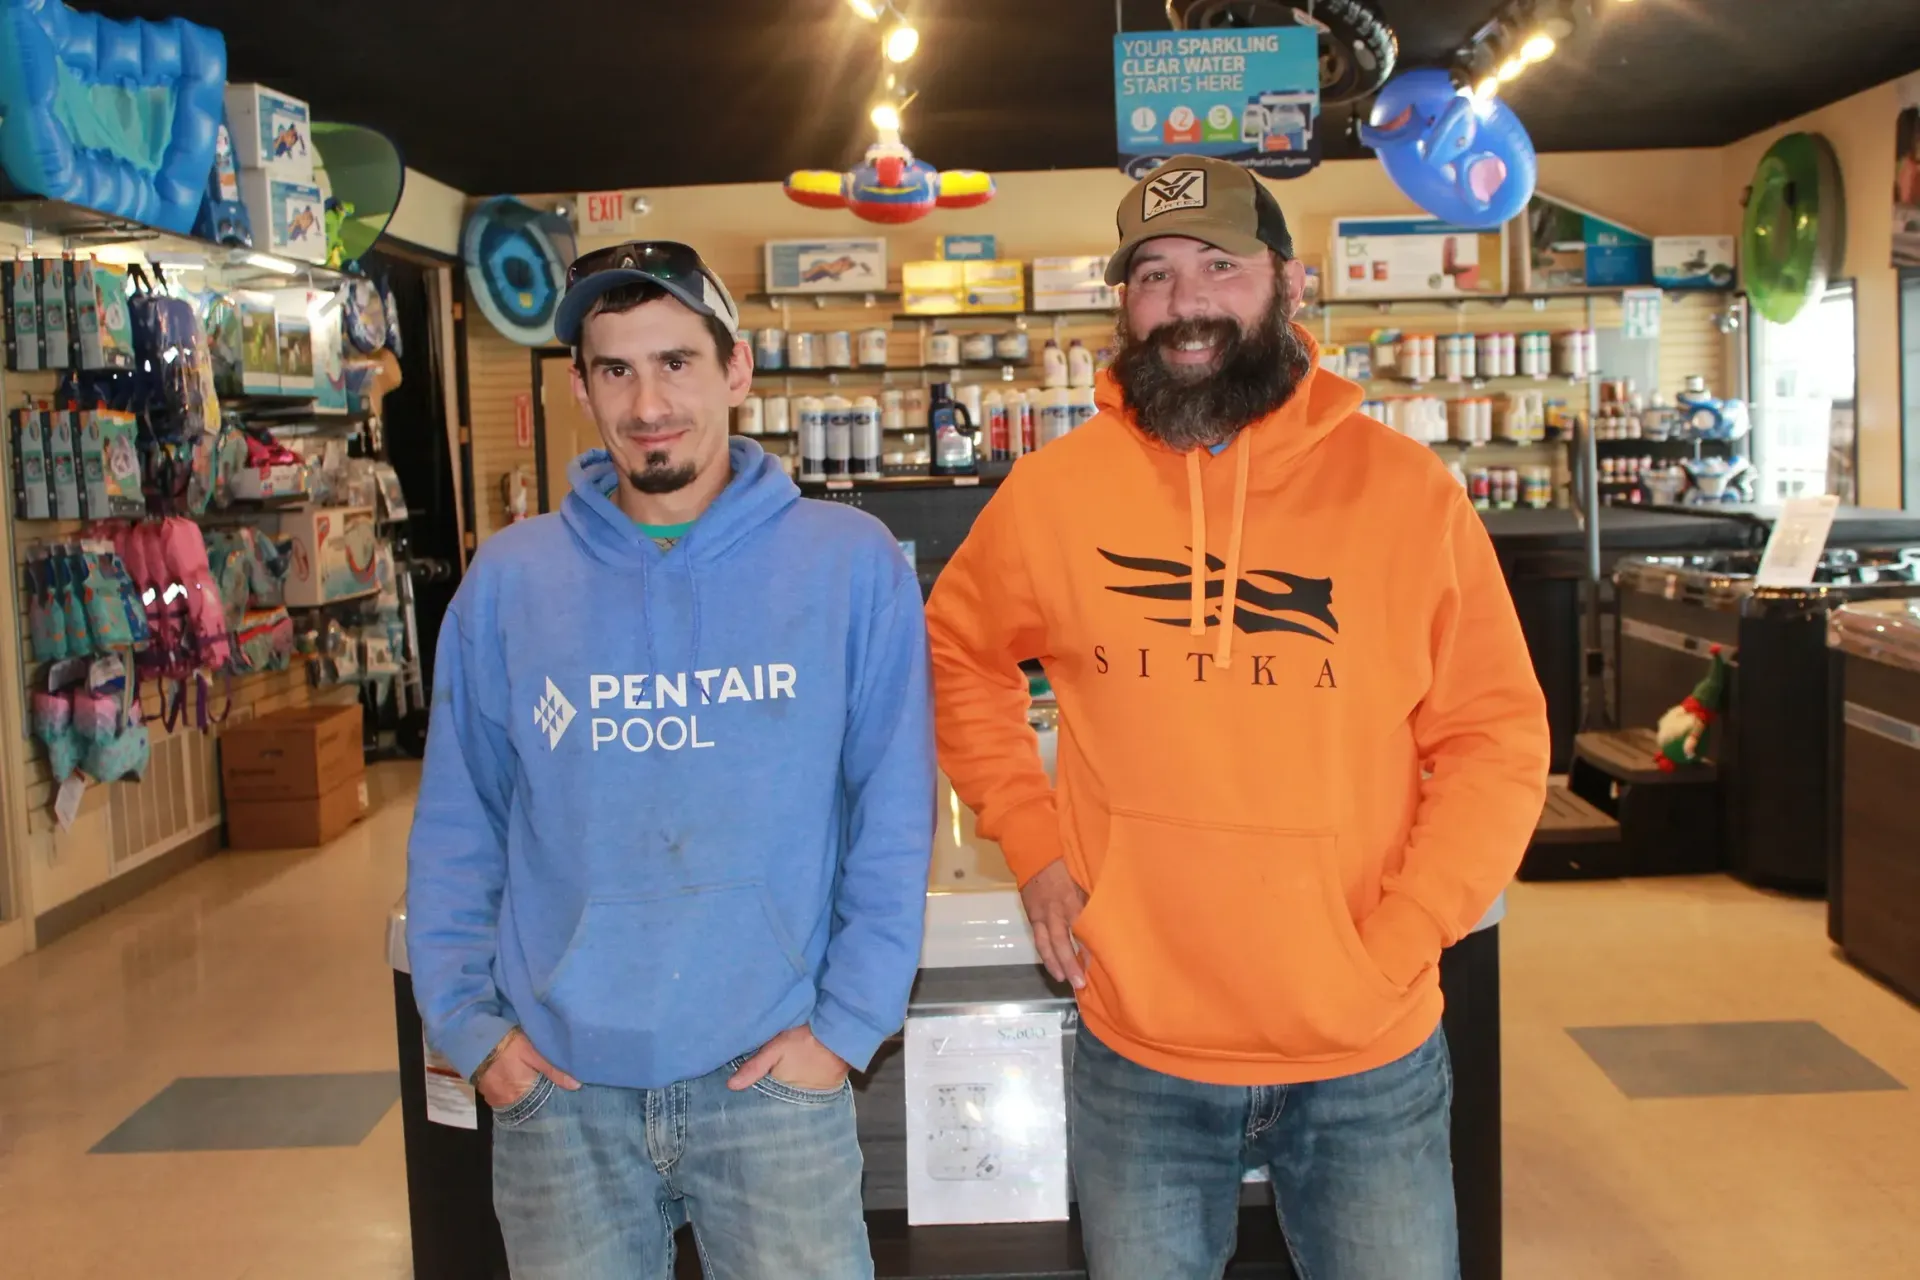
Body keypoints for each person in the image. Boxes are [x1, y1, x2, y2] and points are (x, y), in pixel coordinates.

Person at [926, 157, 1550, 1280]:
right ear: (1122, 303)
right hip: (1140, 1045)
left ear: (1290, 285)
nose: (1187, 303)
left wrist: (1406, 933)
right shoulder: (1054, 495)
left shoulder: (1409, 494)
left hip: (1367, 1047)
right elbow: (957, 654)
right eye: (1155, 274)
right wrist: (1033, 842)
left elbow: (1496, 738)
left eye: (1221, 266)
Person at [407, 241, 934, 1279]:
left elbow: (895, 808)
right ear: (580, 386)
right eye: (616, 368)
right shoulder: (511, 582)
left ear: (736, 369)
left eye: (677, 362)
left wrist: (846, 1027)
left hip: (775, 1082)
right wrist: (474, 1028)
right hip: (561, 1095)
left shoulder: (849, 565)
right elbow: (461, 821)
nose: (649, 401)